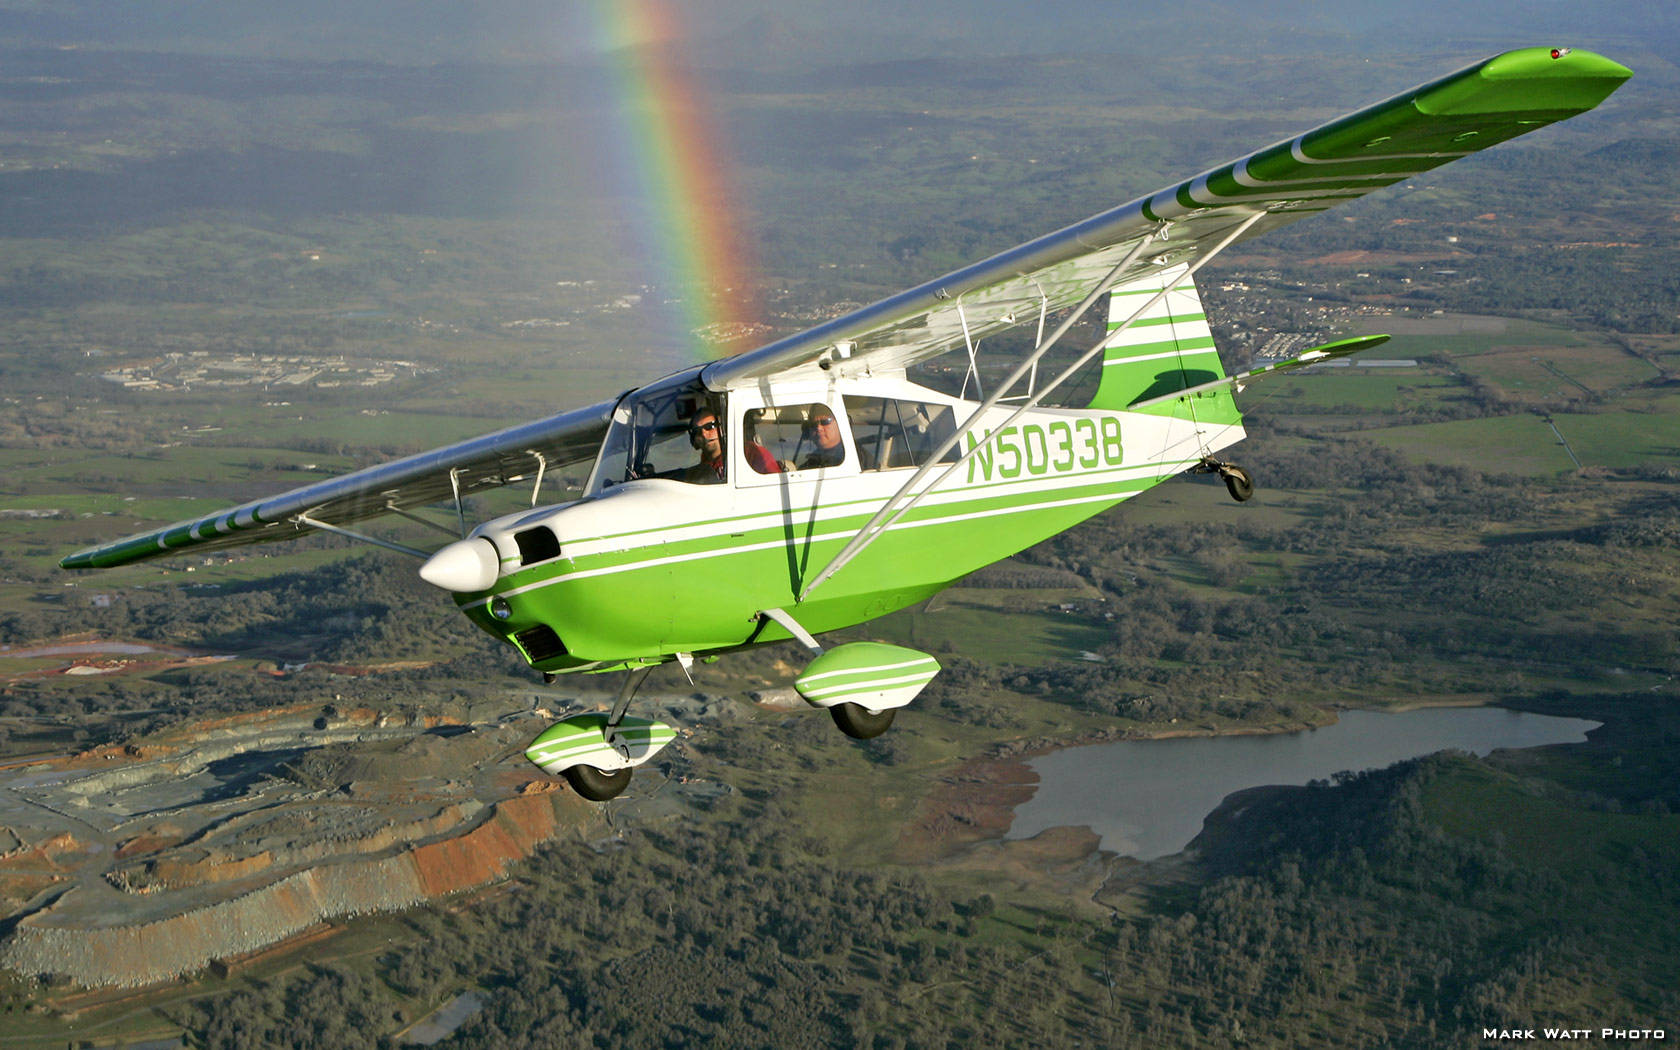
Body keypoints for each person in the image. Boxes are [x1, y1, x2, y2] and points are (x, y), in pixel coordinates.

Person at [799, 407, 871, 470]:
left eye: (825, 422)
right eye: (813, 424)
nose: (818, 428)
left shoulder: (859, 459)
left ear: (840, 424)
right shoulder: (808, 466)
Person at [681, 407, 727, 484]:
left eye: (710, 426)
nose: (704, 434)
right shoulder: (697, 473)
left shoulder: (746, 451)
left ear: (722, 429)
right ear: (694, 440)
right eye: (697, 431)